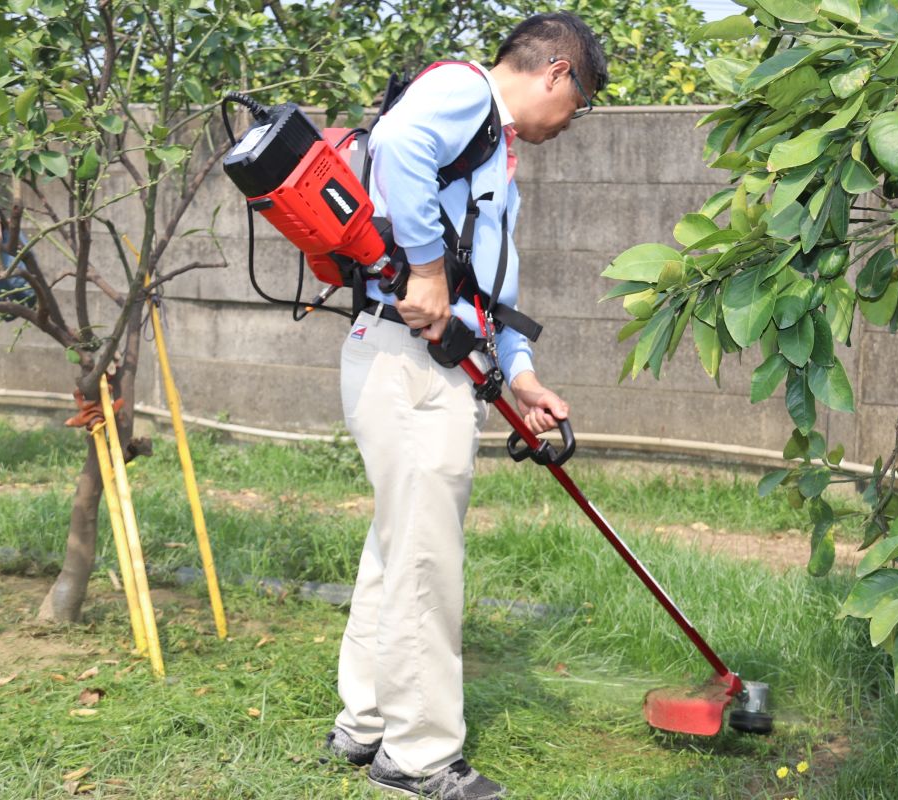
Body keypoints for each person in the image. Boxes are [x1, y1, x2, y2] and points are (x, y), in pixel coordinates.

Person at [325, 13, 607, 799]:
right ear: (556, 72)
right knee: (425, 556)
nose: (572, 121)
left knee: (398, 544)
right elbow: (399, 144)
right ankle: (416, 758)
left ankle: (366, 722)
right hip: (407, 361)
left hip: (426, 359)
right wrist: (424, 271)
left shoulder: (493, 149)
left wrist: (521, 375)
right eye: (579, 103)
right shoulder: (461, 93)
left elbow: (490, 291)